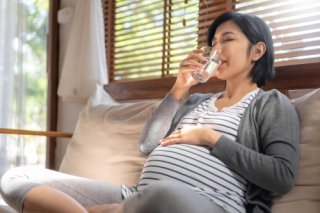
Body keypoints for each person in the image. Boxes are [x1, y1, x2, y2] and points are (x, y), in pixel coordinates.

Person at [0, 11, 299, 213]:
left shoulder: (270, 103)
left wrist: (209, 137)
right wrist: (180, 87)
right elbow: (147, 145)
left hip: (208, 204)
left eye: (228, 40)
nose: (216, 50)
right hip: (136, 197)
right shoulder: (198, 102)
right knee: (16, 178)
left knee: (161, 195)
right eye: (213, 42)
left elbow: (281, 176)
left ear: (257, 51)